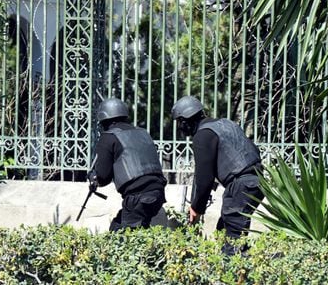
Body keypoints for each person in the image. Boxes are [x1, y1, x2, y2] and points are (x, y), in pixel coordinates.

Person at [171, 95, 264, 256]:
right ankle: (245, 267)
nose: (179, 127)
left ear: (186, 120)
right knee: (227, 230)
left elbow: (204, 178)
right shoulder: (225, 124)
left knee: (231, 243)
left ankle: (237, 275)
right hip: (256, 180)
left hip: (240, 185)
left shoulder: (202, 135)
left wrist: (196, 207)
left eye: (179, 122)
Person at [91, 97, 167, 232]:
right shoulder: (142, 133)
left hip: (138, 198)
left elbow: (103, 177)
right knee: (117, 227)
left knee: (124, 239)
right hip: (158, 193)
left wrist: (93, 177)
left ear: (105, 120)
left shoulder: (108, 137)